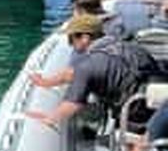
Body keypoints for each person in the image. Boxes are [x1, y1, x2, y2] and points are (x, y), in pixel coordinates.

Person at [27, 13, 161, 130]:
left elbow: (73, 104)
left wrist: (49, 118)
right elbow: (74, 73)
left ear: (85, 37)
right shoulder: (129, 46)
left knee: (134, 146)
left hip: (138, 113)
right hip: (161, 104)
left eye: (71, 38)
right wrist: (46, 82)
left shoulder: (88, 64)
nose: (70, 44)